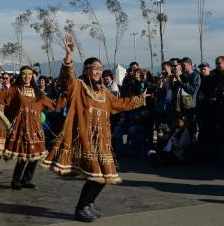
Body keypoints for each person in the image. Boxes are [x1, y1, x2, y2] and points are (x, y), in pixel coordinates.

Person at [42, 34, 148, 223]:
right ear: (86, 70)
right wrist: (68, 55)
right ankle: (80, 208)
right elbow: (66, 78)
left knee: (106, 175)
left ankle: (89, 203)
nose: (98, 72)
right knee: (95, 176)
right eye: (94, 68)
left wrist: (139, 99)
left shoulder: (104, 93)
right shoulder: (79, 86)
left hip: (103, 141)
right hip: (85, 139)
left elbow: (120, 104)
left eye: (100, 68)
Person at [0, 65, 65, 190]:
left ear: (32, 76)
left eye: (29, 74)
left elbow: (53, 105)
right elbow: (0, 99)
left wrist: (65, 96)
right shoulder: (14, 90)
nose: (27, 77)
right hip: (21, 126)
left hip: (35, 127)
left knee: (36, 155)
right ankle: (15, 180)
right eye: (24, 74)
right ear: (20, 76)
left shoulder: (38, 92)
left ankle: (26, 180)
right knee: (24, 154)